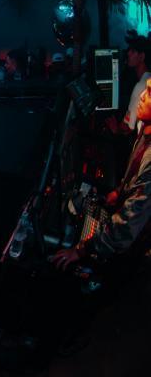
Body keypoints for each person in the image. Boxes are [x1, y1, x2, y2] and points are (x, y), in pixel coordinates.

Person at [52, 78, 151, 269]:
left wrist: (81, 250)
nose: (141, 96)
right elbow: (134, 178)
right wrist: (119, 192)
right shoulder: (146, 131)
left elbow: (127, 226)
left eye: (149, 93)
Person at [123, 33, 151, 132]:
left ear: (142, 57)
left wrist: (115, 129)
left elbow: (127, 129)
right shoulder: (148, 79)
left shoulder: (140, 86)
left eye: (133, 51)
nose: (128, 53)